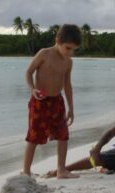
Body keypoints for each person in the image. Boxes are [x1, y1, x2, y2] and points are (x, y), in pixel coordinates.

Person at [22, 24, 82, 179]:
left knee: (63, 135)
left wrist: (71, 108)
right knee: (33, 136)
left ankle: (61, 170)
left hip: (57, 101)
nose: (70, 53)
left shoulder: (68, 62)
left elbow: (67, 85)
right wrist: (32, 89)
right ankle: (26, 171)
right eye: (68, 48)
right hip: (40, 101)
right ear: (58, 40)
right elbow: (28, 73)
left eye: (73, 50)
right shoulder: (44, 54)